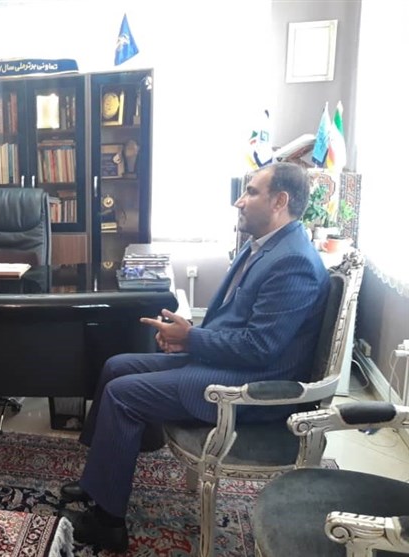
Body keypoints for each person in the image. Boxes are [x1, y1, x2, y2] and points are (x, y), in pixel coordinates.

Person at [58, 162, 330, 551]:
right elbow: (235, 323)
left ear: (279, 201)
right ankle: (100, 479)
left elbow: (260, 348)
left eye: (251, 191)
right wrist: (190, 336)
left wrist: (191, 340)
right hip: (231, 364)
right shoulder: (264, 247)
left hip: (255, 386)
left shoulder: (294, 261)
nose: (240, 201)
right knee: (117, 366)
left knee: (123, 394)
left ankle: (108, 524)